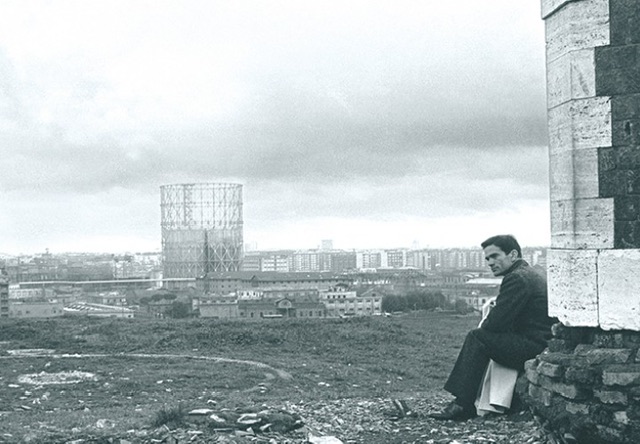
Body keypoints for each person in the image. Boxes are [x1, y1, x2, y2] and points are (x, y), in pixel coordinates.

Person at [429, 234, 556, 420]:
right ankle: (473, 400)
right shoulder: (531, 273)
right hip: (542, 342)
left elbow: (496, 323)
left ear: (513, 255)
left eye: (495, 256)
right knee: (483, 336)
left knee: (477, 337)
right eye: (487, 258)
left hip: (533, 346)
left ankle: (463, 405)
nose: (490, 262)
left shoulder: (517, 278)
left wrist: (491, 317)